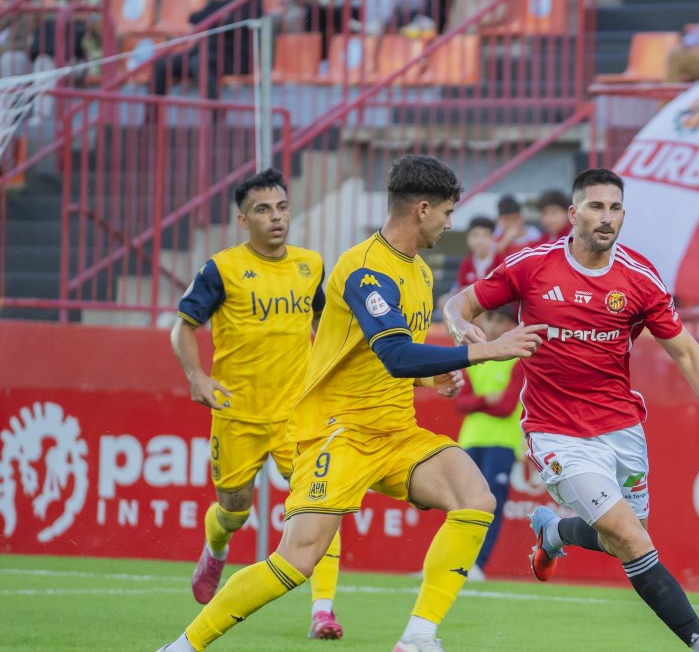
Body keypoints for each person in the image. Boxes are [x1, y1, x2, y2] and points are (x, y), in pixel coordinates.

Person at [157, 155, 546, 652]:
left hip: (394, 431)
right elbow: (396, 352)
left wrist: (431, 383)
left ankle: (418, 637)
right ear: (422, 209)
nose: (450, 224)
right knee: (295, 562)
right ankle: (183, 647)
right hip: (339, 433)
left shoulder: (421, 275)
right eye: (448, 213)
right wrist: (483, 351)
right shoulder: (364, 269)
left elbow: (378, 361)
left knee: (476, 498)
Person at [443, 168, 699, 652]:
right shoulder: (532, 265)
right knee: (629, 536)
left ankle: (554, 530)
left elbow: (687, 352)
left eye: (614, 209)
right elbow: (459, 303)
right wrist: (465, 333)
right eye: (595, 206)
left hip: (620, 427)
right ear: (573, 213)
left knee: (620, 539)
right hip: (555, 430)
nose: (605, 218)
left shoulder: (638, 278)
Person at [169, 168, 345, 641]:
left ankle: (322, 611)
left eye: (282, 207)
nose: (277, 218)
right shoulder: (221, 268)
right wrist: (197, 376)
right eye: (264, 210)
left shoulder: (311, 265)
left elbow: (330, 330)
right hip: (237, 413)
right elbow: (182, 327)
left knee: (323, 503)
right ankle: (216, 547)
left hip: (297, 414)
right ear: (244, 220)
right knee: (234, 509)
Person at [453, 303, 525, 582]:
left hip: (502, 443)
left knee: (488, 505)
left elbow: (507, 405)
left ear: (511, 326)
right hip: (470, 440)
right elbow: (460, 401)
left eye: (500, 320)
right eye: (491, 318)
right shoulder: (475, 356)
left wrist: (476, 403)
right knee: (462, 503)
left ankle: (477, 565)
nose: (493, 325)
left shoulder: (519, 358)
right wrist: (486, 401)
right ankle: (454, 562)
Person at [437, 215, 497, 311]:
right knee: (444, 301)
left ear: (492, 238)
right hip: (471, 304)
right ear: (468, 237)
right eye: (475, 235)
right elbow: (460, 288)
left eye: (485, 235)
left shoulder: (501, 260)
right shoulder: (466, 263)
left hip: (494, 307)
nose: (479, 241)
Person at [493, 194, 541, 259]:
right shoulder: (494, 236)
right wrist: (506, 240)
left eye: (515, 218)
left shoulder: (534, 234)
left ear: (522, 217)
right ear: (499, 220)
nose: (511, 223)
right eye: (507, 219)